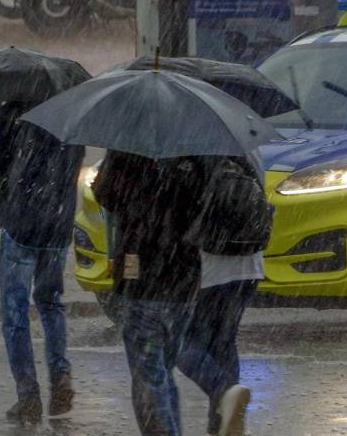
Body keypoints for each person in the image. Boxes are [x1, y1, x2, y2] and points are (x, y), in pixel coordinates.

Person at [0, 101, 85, 424]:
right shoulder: (68, 120)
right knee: (51, 303)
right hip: (57, 228)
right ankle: (60, 375)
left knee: (14, 312)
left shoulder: (7, 118)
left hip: (19, 225)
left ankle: (28, 395)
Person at [93, 152, 204, 436]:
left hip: (142, 279)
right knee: (163, 375)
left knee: (150, 379)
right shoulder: (196, 149)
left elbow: (105, 195)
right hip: (184, 284)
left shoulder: (129, 149)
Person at [176, 155, 269, 436]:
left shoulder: (189, 156)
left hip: (209, 265)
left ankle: (225, 392)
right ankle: (222, 424)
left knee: (177, 343)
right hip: (249, 263)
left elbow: (180, 213)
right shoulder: (246, 148)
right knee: (224, 342)